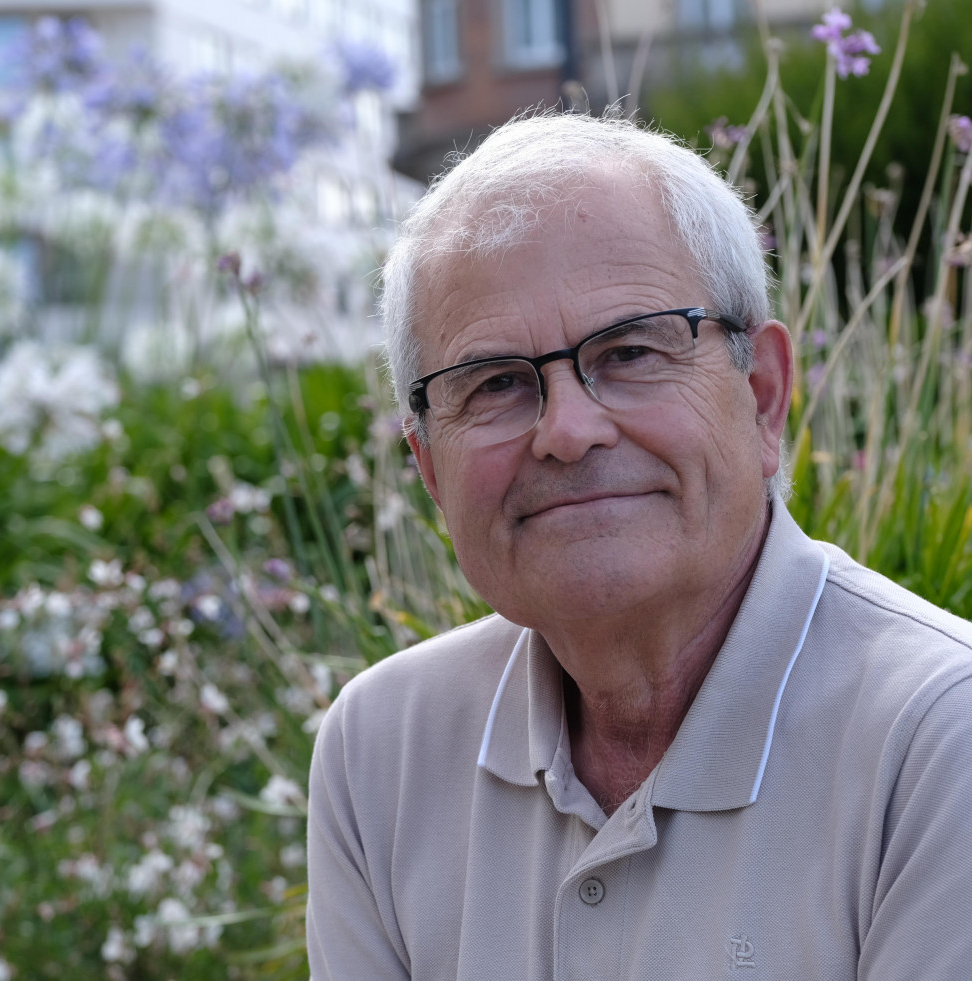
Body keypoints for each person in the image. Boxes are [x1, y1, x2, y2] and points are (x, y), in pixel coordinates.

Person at [306, 111, 972, 980]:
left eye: (628, 351)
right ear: (430, 469)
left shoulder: (937, 743)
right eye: (496, 383)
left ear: (763, 398)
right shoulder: (381, 748)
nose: (569, 430)